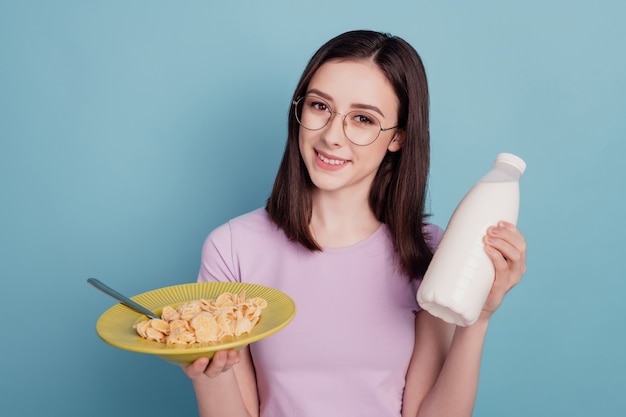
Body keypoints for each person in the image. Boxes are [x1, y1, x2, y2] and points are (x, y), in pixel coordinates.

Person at [182, 30, 527, 417]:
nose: (331, 136)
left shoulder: (428, 252)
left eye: (363, 119)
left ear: (398, 137)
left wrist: (477, 318)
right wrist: (205, 369)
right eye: (319, 106)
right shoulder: (233, 249)